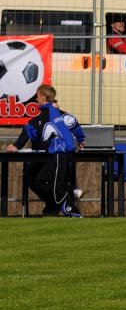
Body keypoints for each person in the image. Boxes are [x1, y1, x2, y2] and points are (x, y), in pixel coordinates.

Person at [5, 85, 85, 217]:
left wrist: (16, 146)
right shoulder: (60, 115)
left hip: (54, 154)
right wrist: (81, 139)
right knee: (33, 179)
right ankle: (61, 201)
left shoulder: (45, 116)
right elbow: (74, 123)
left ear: (43, 97)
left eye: (37, 96)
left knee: (48, 185)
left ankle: (68, 201)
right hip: (49, 155)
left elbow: (28, 128)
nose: (36, 99)